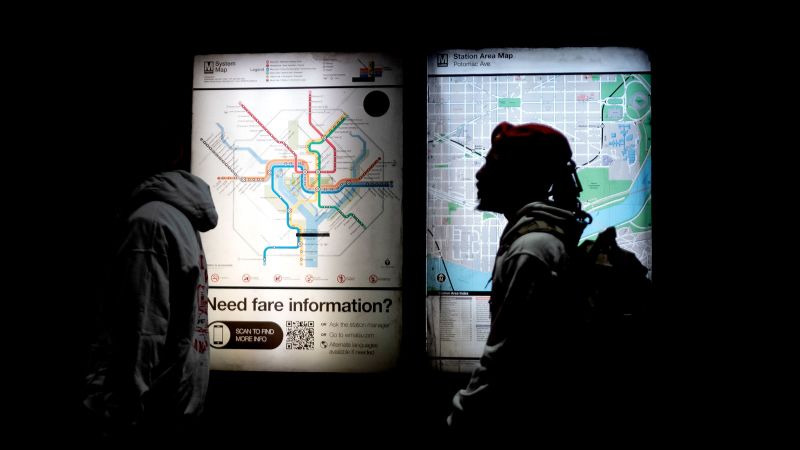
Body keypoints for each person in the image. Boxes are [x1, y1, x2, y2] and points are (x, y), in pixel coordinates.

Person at [447, 121, 593, 434]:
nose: (479, 175)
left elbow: (504, 359)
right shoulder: (539, 240)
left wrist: (460, 418)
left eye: (491, 165)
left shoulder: (530, 250)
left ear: (518, 175)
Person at [81, 117, 218, 443]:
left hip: (146, 419)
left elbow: (143, 332)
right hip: (175, 409)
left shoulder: (149, 222)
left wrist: (117, 412)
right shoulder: (180, 219)